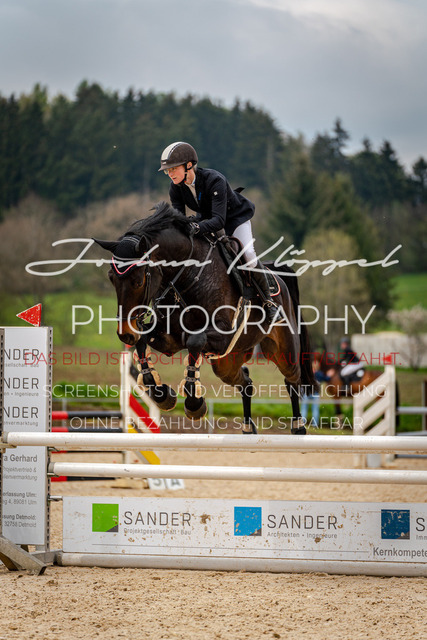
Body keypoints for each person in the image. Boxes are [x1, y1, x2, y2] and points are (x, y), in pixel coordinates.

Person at [158, 141, 278, 324]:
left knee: (248, 255)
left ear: (188, 165)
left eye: (173, 169)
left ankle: (269, 303)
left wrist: (197, 227)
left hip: (234, 218)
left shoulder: (214, 180)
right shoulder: (175, 188)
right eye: (167, 171)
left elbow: (219, 221)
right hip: (207, 219)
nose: (170, 174)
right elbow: (179, 218)